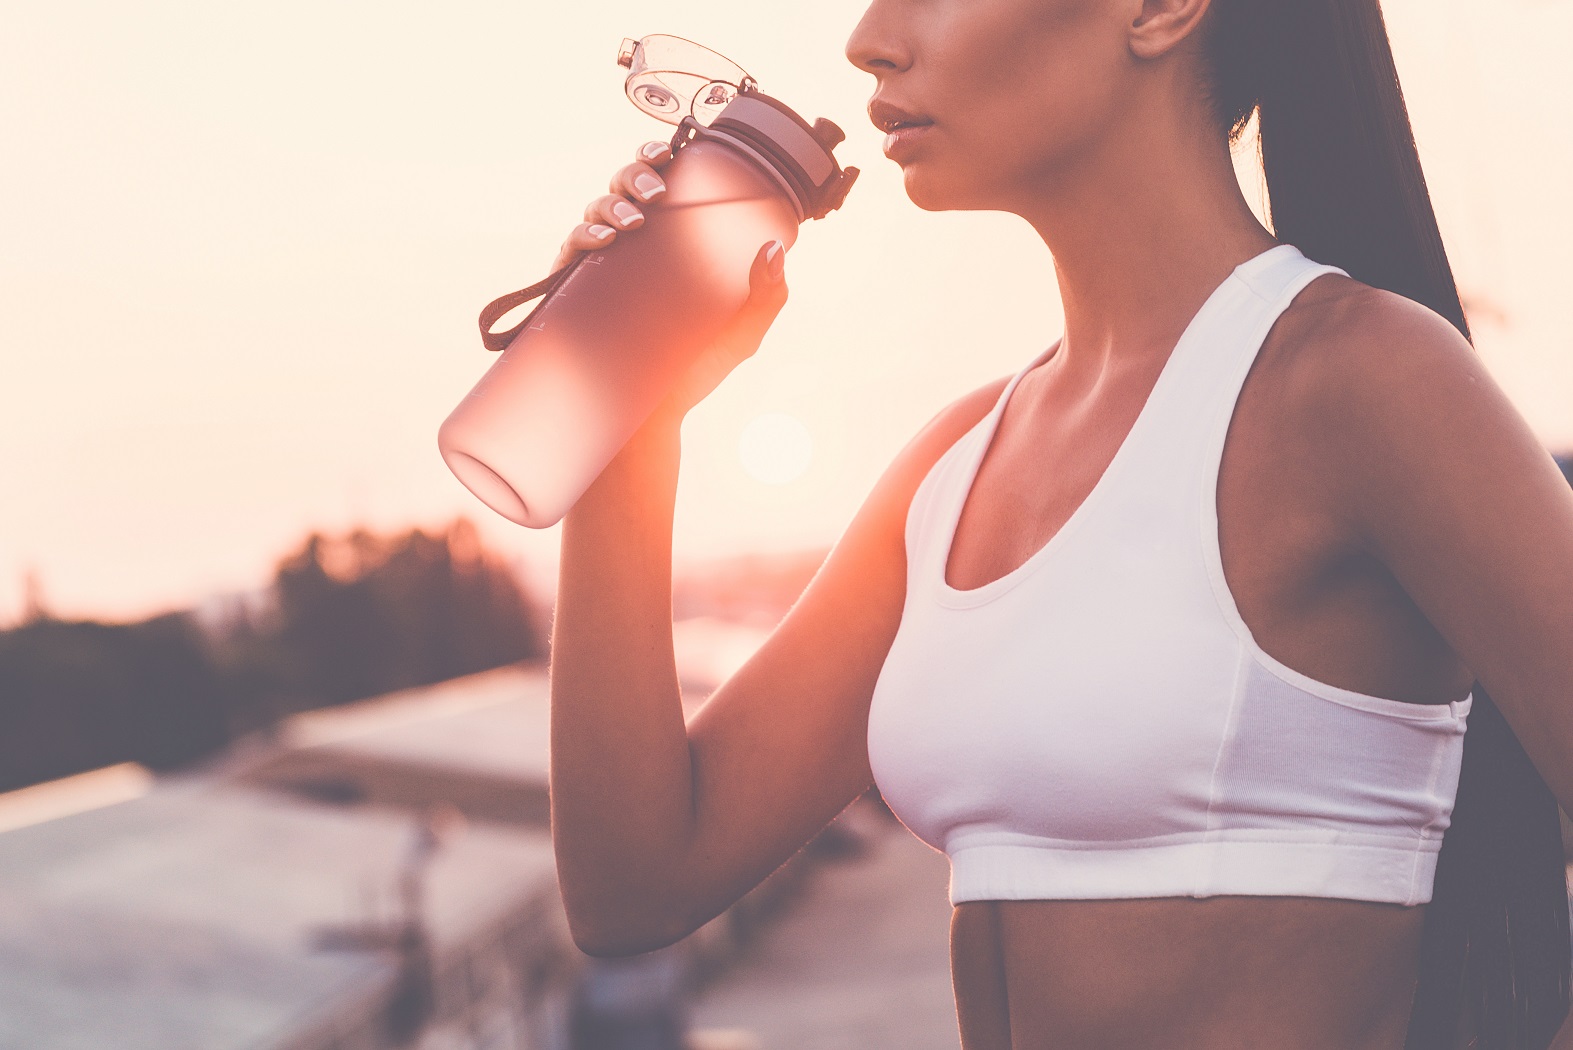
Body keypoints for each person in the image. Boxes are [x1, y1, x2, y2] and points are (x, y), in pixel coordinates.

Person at [544, 1, 1573, 1047]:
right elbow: (633, 886)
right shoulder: (951, 467)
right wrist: (630, 411)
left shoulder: (1362, 381)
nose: (869, 36)